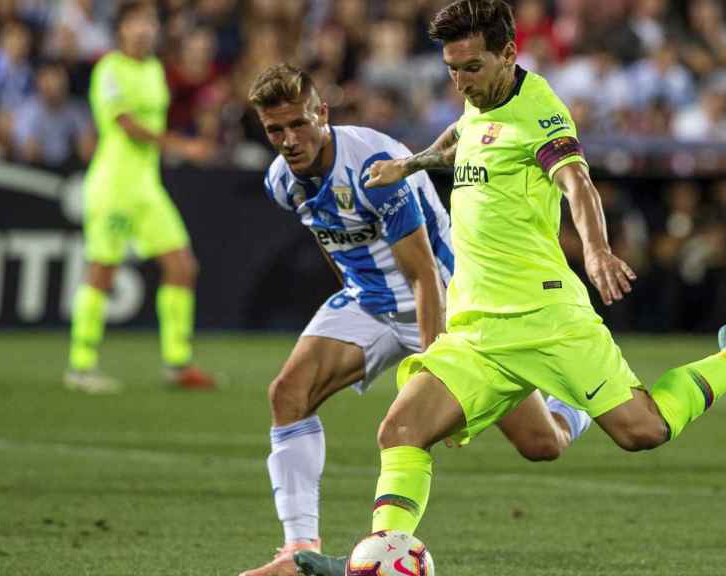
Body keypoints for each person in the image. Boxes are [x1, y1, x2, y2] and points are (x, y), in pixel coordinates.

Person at [294, 2, 726, 574]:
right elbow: (460, 139)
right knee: (402, 429)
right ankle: (376, 559)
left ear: (508, 55)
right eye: (452, 68)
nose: (461, 81)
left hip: (546, 317)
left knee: (642, 430)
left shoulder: (541, 112)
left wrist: (594, 249)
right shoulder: (480, 104)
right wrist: (411, 165)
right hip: (476, 330)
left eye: (471, 67)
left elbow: (577, 183)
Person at [238, 63, 593, 576]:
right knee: (287, 395)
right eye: (276, 130)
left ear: (323, 113)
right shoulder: (281, 181)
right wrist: (350, 296)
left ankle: (571, 405)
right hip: (370, 302)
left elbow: (425, 275)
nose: (289, 140)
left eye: (298, 124)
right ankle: (296, 549)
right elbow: (328, 235)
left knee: (543, 444)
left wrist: (436, 372)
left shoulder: (374, 167)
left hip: (446, 305)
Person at [66, 0, 215, 393]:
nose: (144, 28)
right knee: (104, 269)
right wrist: (181, 147)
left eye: (149, 21)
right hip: (113, 184)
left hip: (147, 187)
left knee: (182, 266)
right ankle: (81, 366)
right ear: (121, 30)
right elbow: (127, 125)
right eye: (136, 22)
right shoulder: (109, 68)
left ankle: (178, 362)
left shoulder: (153, 70)